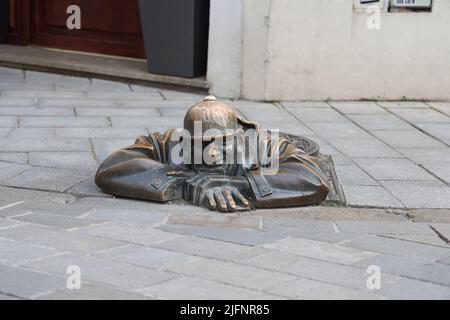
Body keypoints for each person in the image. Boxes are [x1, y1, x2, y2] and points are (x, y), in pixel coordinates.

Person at [95, 96, 330, 212]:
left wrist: (240, 184)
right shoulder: (171, 142)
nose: (213, 152)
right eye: (202, 144)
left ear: (238, 137)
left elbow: (312, 178)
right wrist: (186, 181)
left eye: (223, 143)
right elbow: (112, 167)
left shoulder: (263, 144)